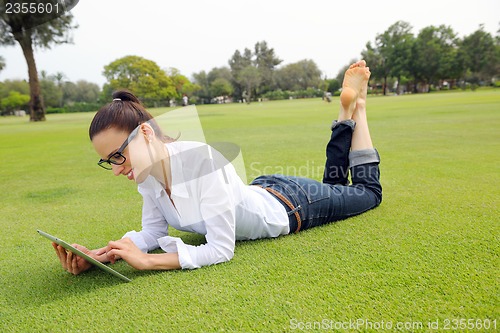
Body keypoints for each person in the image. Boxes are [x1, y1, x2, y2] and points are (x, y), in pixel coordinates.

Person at [53, 60, 382, 273]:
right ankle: (346, 116)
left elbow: (221, 249)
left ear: (146, 133)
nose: (116, 169)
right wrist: (100, 256)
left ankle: (359, 109)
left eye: (119, 156)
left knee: (366, 192)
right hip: (262, 188)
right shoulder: (147, 177)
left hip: (292, 205)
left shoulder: (201, 161)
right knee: (337, 186)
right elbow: (153, 232)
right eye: (108, 161)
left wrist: (149, 261)